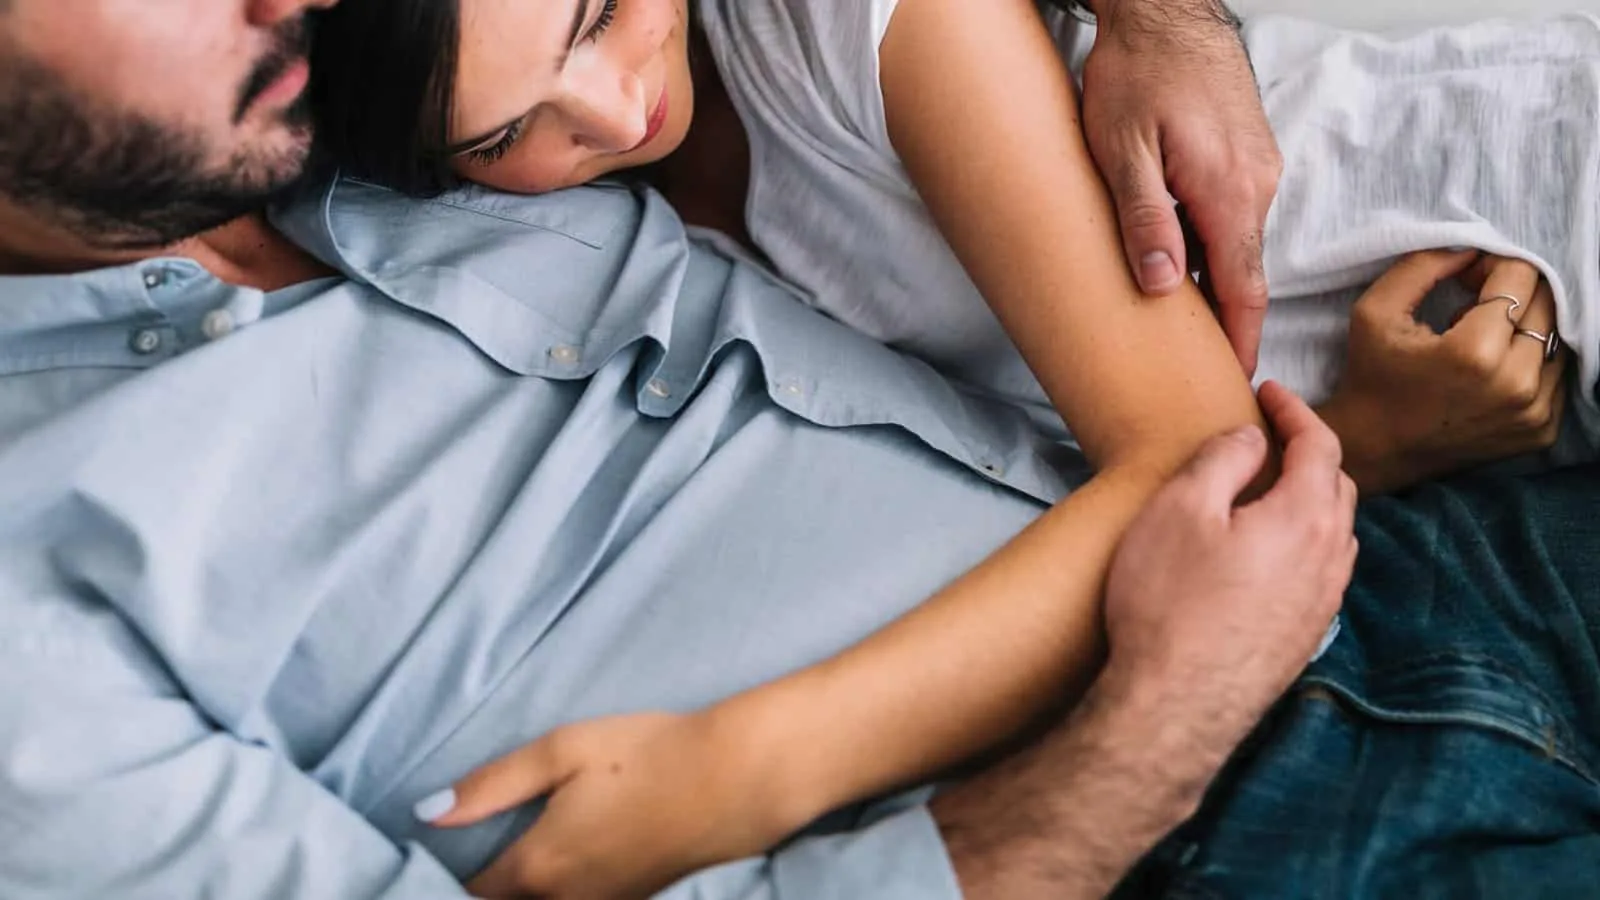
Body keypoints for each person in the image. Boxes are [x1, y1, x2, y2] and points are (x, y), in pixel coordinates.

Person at [0, 4, 1592, 900]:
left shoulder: (320, 94)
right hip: (1203, 840)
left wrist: (1158, 17)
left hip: (1404, 551)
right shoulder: (37, 630)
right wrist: (1129, 756)